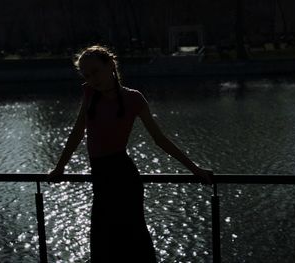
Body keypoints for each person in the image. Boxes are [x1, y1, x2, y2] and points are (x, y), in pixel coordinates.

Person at [47, 44, 213, 263]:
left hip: (124, 178)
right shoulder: (89, 94)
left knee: (134, 240)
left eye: (95, 72)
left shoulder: (133, 98)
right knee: (102, 243)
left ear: (111, 66)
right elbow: (77, 133)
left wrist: (195, 170)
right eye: (86, 75)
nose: (92, 79)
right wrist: (60, 167)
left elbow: (160, 139)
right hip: (101, 179)